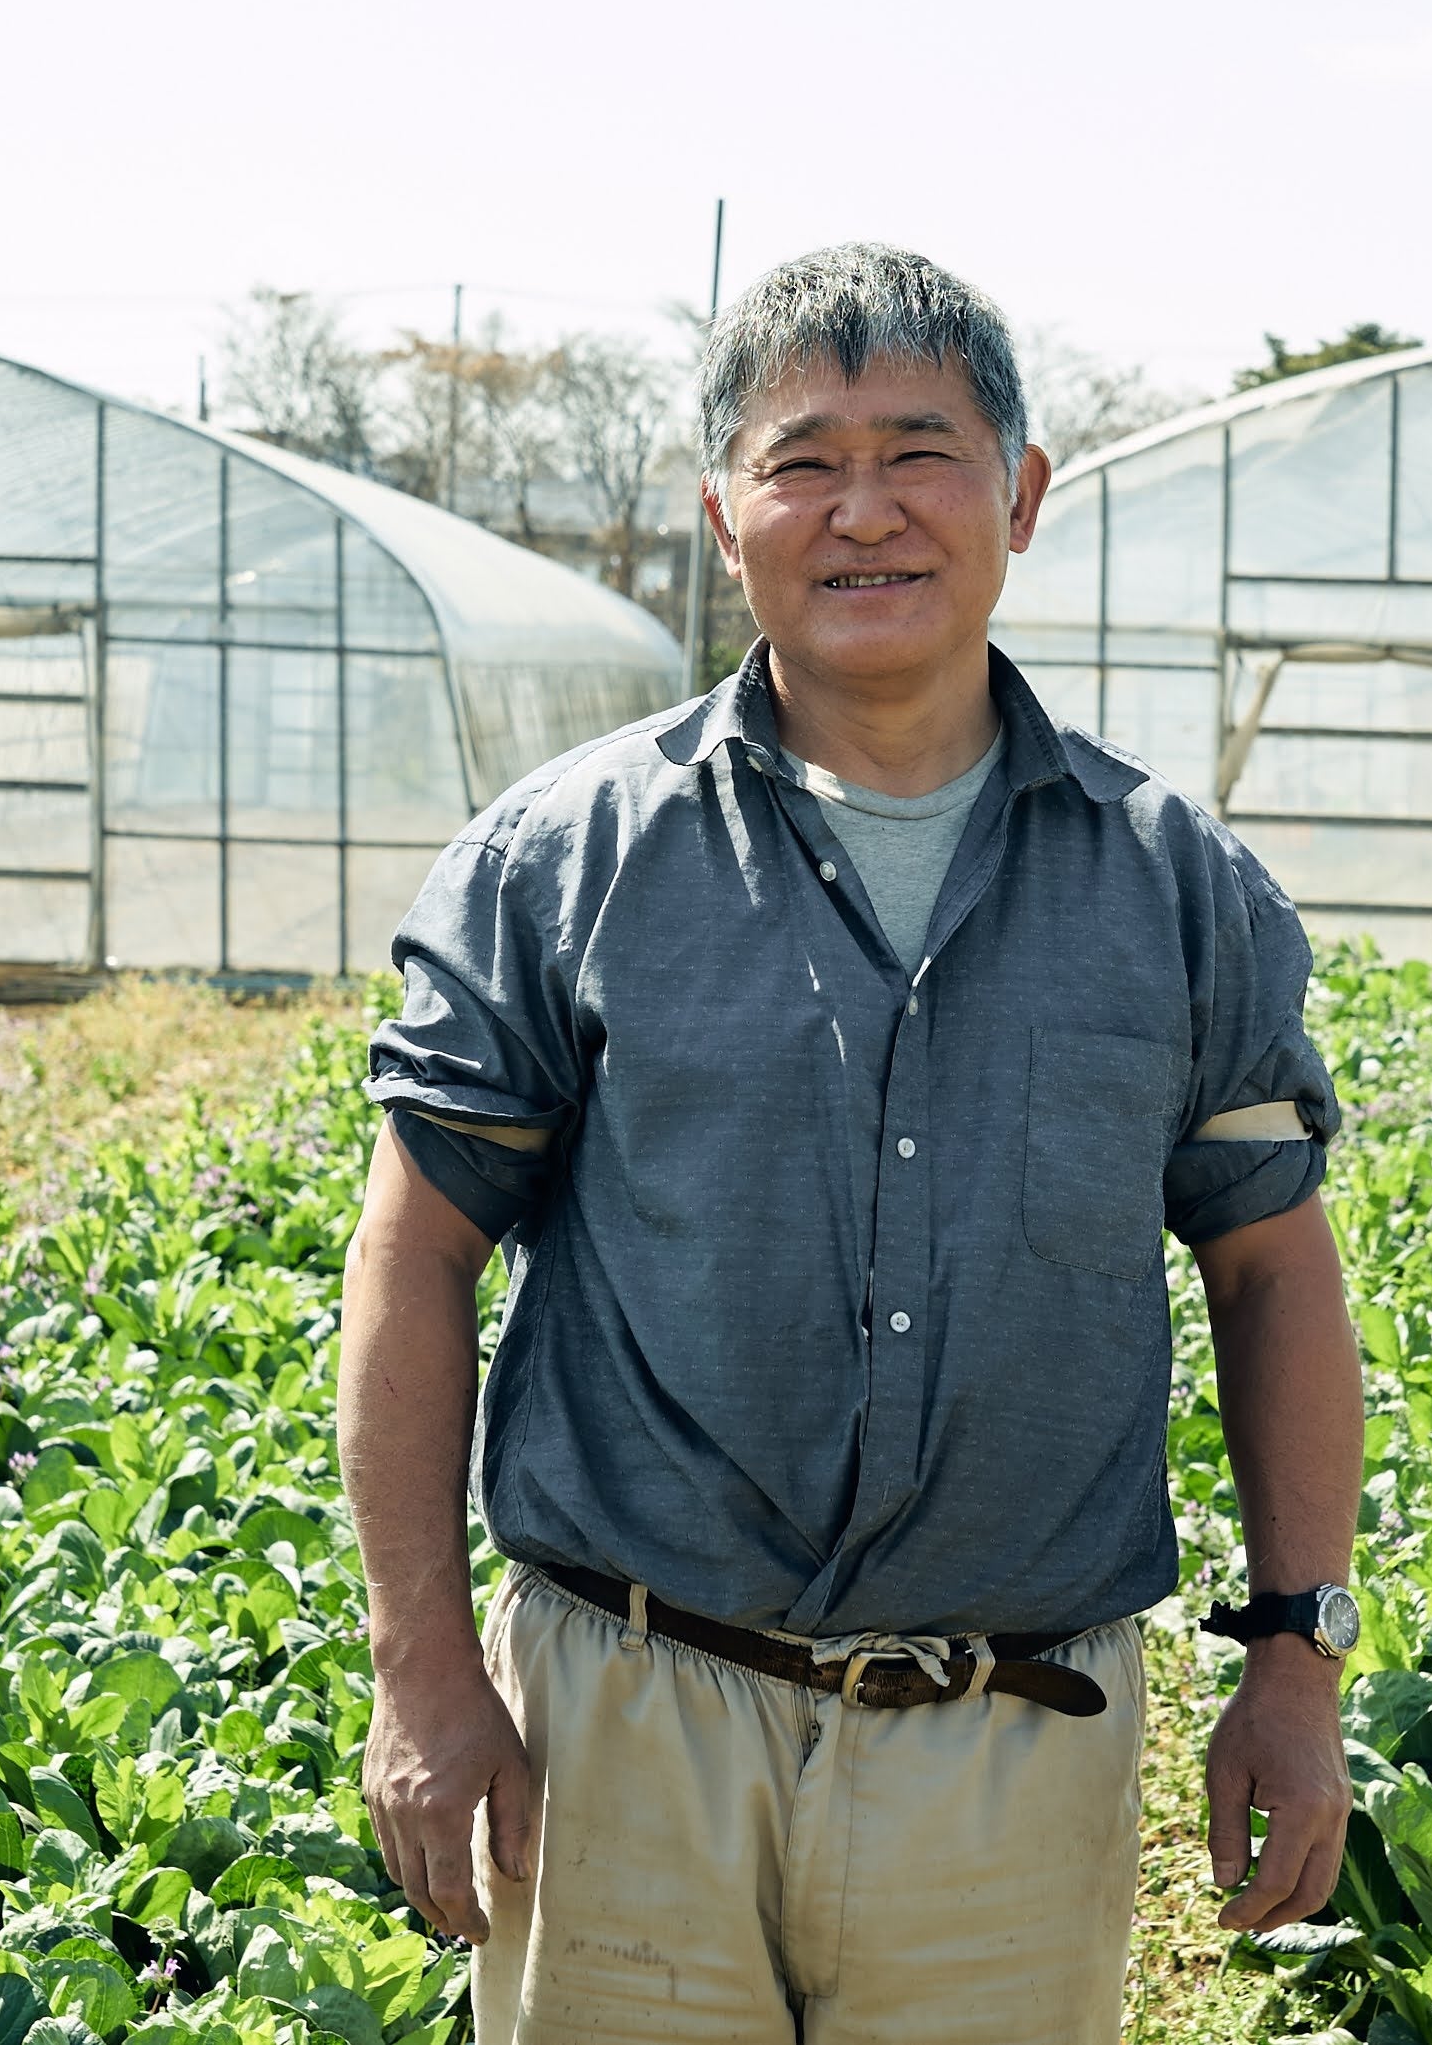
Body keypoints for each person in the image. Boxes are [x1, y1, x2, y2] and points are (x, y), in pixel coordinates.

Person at [336, 243, 1364, 2043]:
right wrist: (421, 1660)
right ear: (722, 510)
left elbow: (1273, 1268)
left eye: (922, 452)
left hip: (1013, 1749)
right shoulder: (566, 859)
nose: (863, 511)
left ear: (1022, 495)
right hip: (627, 1721)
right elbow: (417, 1250)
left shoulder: (1170, 888)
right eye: (803, 459)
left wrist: (1297, 1652)